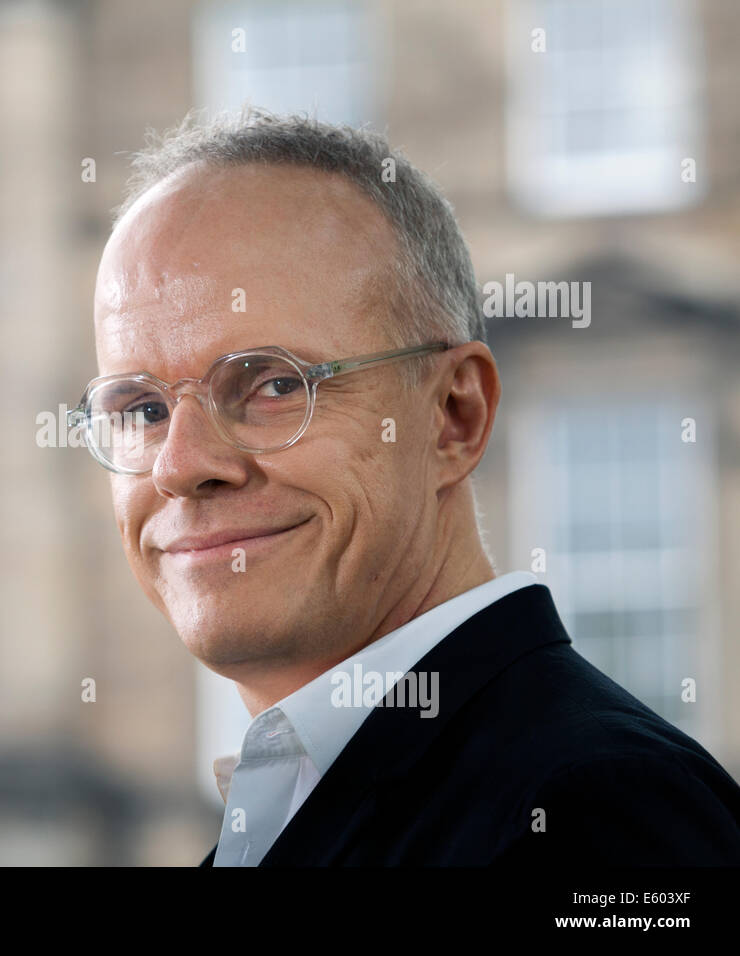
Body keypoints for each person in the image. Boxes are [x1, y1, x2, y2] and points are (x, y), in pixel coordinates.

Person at [68, 106, 740, 866]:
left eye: (273, 386)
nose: (180, 465)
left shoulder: (603, 812)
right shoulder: (289, 808)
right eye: (142, 408)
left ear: (454, 416)